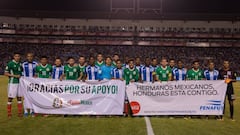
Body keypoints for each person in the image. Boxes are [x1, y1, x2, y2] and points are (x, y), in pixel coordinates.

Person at [4, 52, 23, 118]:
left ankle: (20, 113)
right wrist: (15, 76)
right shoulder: (10, 63)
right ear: (14, 57)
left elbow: (21, 73)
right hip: (12, 83)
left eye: (18, 56)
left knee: (19, 97)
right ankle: (9, 113)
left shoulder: (20, 64)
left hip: (19, 83)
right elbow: (6, 73)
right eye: (16, 56)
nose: (17, 57)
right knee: (10, 98)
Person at [22, 53, 38, 117]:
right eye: (28, 56)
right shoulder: (23, 64)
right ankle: (25, 111)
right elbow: (21, 73)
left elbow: (37, 73)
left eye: (31, 56)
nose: (30, 57)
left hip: (33, 83)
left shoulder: (36, 64)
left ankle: (32, 111)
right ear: (27, 57)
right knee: (25, 97)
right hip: (25, 83)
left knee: (32, 97)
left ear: (33, 57)